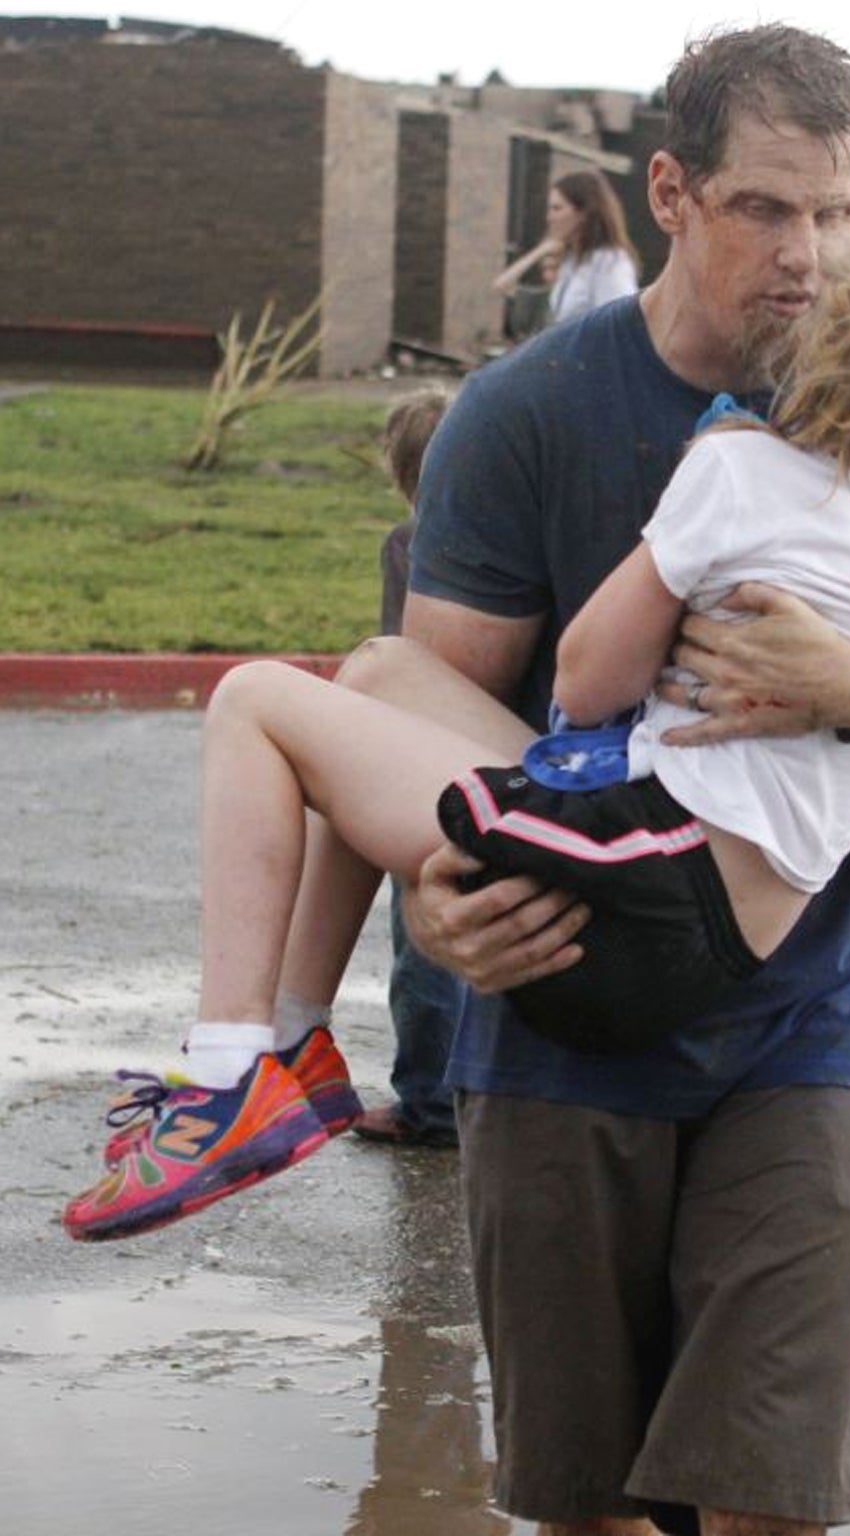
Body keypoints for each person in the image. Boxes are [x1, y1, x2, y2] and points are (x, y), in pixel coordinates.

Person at [414, 28, 850, 1536]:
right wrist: (431, 899)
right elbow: (437, 711)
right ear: (671, 190)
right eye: (769, 210)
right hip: (563, 1004)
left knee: (766, 1503)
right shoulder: (523, 416)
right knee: (585, 1507)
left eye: (841, 211)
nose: (813, 256)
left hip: (817, 1015)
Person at [61, 219, 850, 1246]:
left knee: (255, 698)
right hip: (734, 921)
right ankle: (294, 1046)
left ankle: (224, 1071)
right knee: (380, 673)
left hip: (645, 895)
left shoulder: (739, 473)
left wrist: (693, 516)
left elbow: (585, 681)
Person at [366, 388, 465, 1147]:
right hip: (500, 751)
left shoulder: (408, 544)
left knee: (424, 942)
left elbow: (395, 656)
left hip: (422, 764)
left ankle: (427, 1102)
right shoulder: (504, 537)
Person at [493, 167, 641, 329]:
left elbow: (621, 324)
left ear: (583, 213)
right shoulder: (572, 261)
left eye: (557, 209)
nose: (550, 218)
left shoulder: (609, 262)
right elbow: (502, 286)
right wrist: (541, 250)